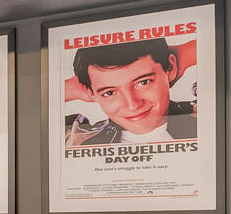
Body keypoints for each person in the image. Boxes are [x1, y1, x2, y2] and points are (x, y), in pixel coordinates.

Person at [64, 39, 197, 146]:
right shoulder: (75, 137)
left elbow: (212, 37)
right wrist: (68, 88)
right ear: (91, 93)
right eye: (109, 92)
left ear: (171, 68)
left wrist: (181, 55)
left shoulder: (204, 118)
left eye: (143, 82)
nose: (133, 105)